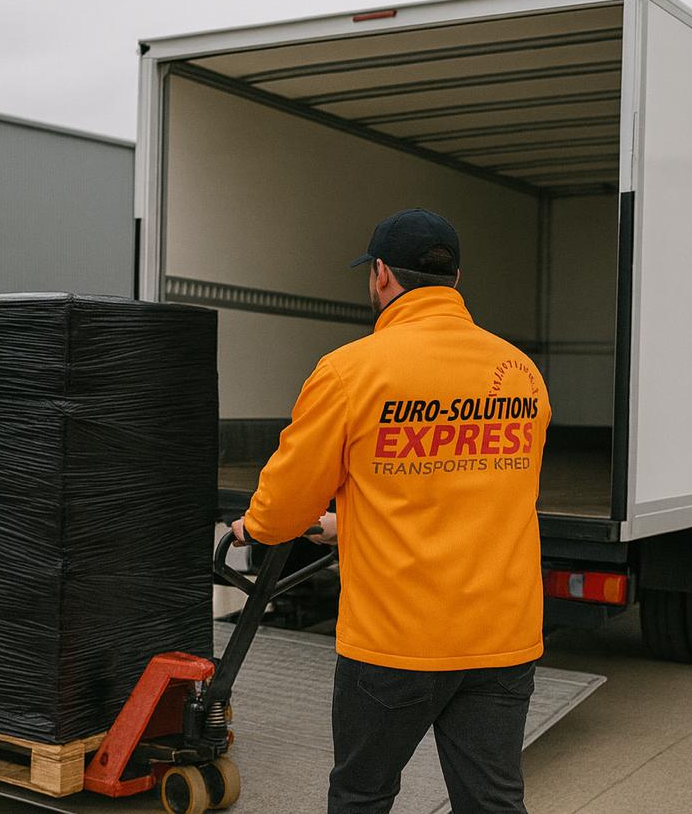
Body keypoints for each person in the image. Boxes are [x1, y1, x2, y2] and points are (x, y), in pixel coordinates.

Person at [230, 208, 551, 813]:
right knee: (493, 804)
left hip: (394, 642)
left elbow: (286, 503)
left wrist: (257, 525)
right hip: (501, 639)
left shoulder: (350, 371)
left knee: (362, 796)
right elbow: (474, 489)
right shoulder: (522, 376)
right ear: (456, 279)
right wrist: (349, 524)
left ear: (381, 274)